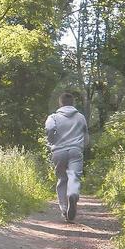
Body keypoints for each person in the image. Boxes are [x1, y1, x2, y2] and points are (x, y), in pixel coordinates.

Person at [45, 93, 89, 223]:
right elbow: (86, 135)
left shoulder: (53, 117)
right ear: (73, 103)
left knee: (62, 179)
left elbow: (50, 128)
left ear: (60, 103)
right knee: (74, 176)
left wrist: (52, 141)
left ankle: (64, 209)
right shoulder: (80, 117)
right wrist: (83, 146)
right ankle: (73, 194)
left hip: (59, 151)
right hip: (76, 150)